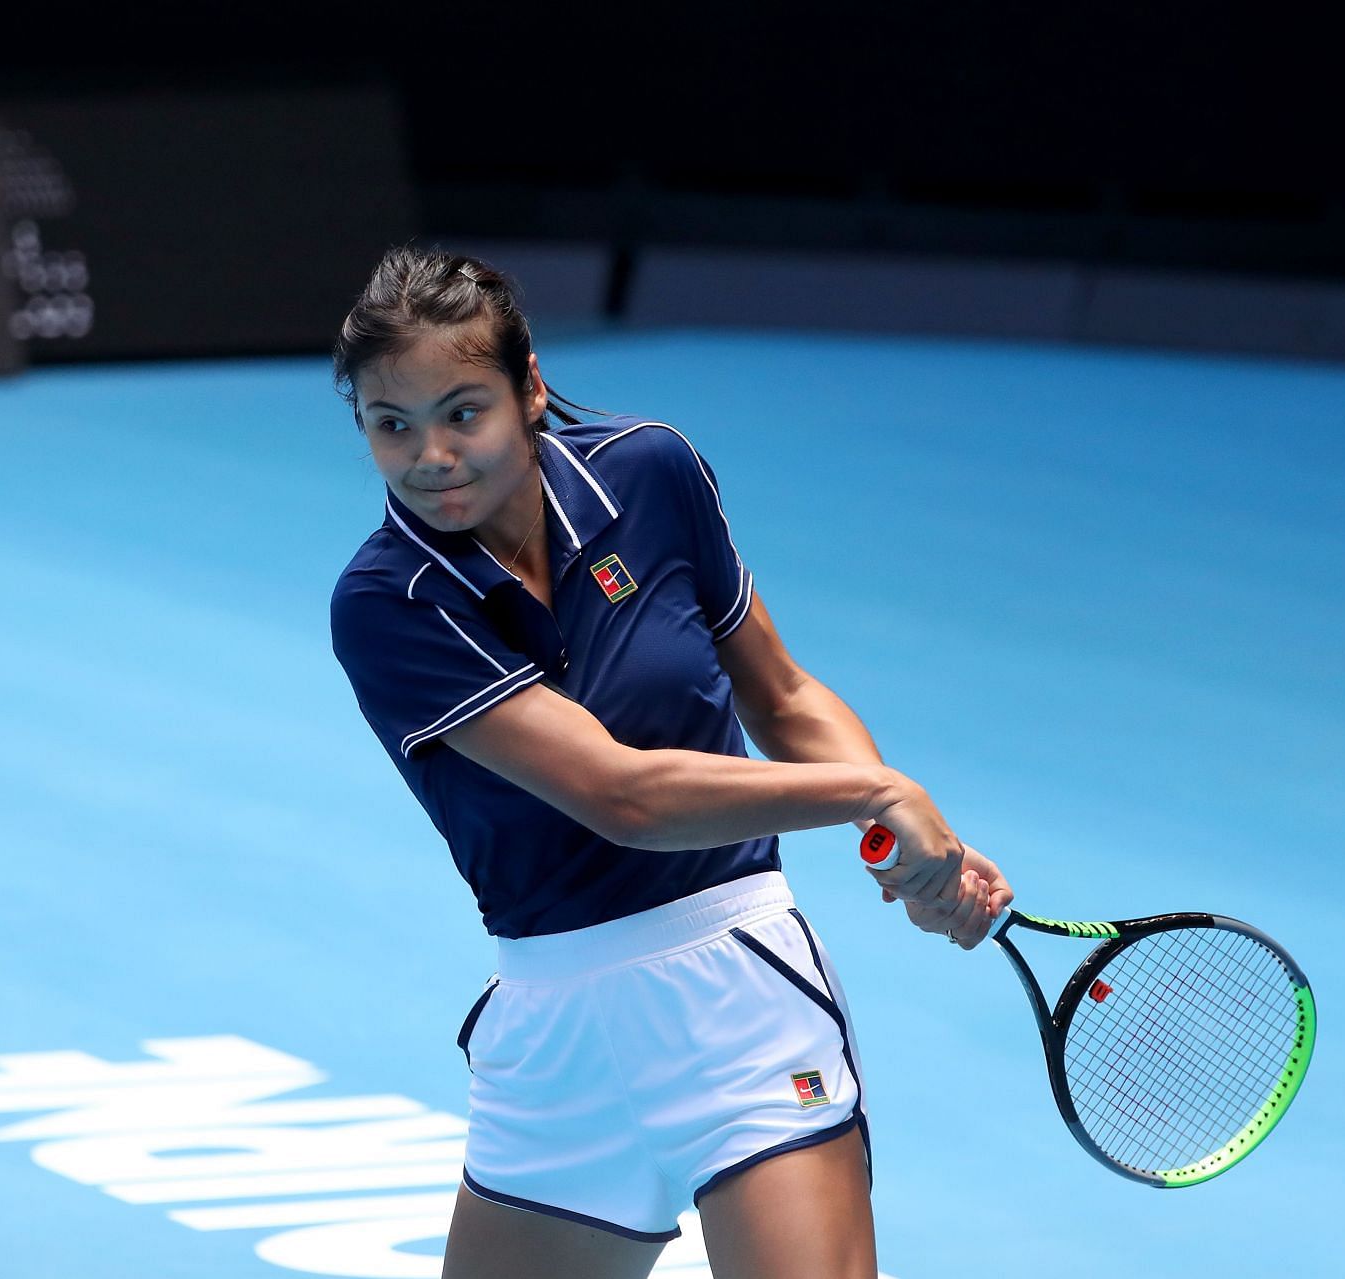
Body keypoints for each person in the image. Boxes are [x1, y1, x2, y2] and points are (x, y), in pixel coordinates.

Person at [328, 246, 1013, 1279]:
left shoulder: (650, 472)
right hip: (554, 1041)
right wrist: (877, 793)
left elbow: (780, 694)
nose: (432, 454)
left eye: (462, 411)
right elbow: (624, 794)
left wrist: (917, 850)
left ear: (529, 388)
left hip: (737, 996)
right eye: (393, 425)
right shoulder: (390, 602)